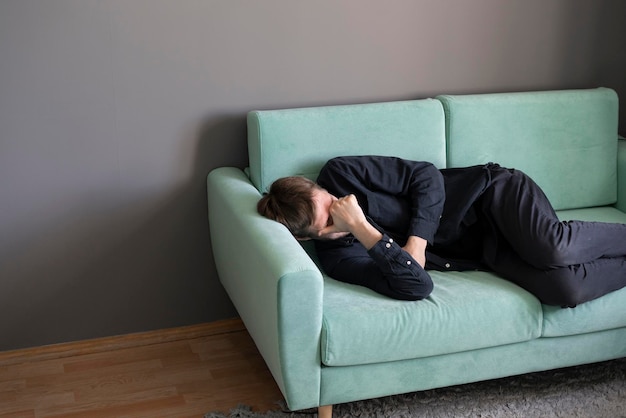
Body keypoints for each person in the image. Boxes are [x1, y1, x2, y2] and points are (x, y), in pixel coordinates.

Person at [257, 155, 626, 307]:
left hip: (490, 197)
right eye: (330, 220)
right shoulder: (339, 259)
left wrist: (417, 241)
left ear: (316, 187)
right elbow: (417, 286)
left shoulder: (341, 174)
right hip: (481, 251)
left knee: (552, 249)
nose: (341, 207)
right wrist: (362, 228)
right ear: (307, 238)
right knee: (565, 289)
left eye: (332, 200)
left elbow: (426, 174)